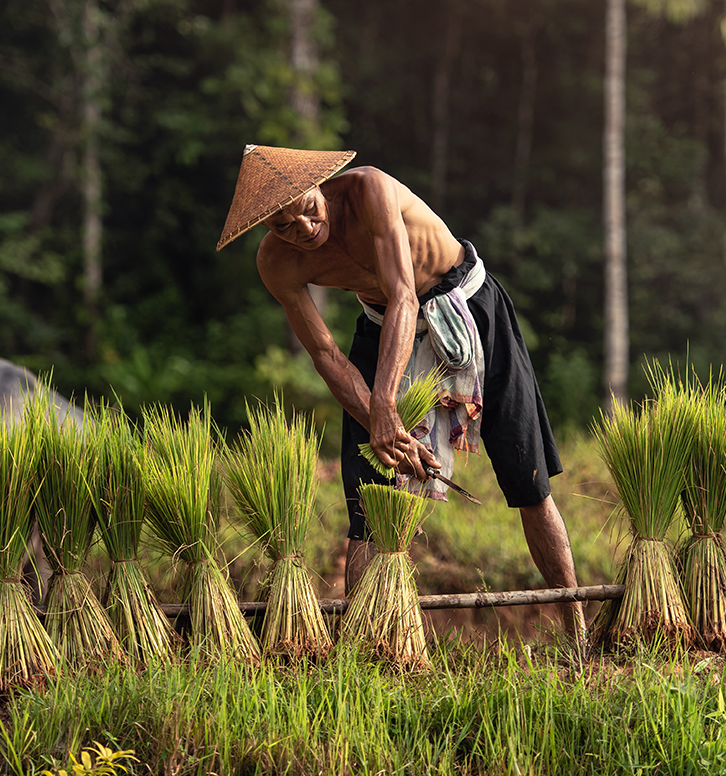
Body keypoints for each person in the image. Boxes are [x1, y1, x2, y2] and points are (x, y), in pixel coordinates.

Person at [217, 144, 585, 641]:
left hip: (465, 306)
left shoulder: (369, 190)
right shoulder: (277, 263)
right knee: (369, 496)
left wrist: (384, 402)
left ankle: (577, 632)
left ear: (319, 187)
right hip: (381, 328)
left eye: (307, 209)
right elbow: (325, 355)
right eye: (283, 225)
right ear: (265, 229)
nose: (302, 229)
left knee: (529, 478)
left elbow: (405, 295)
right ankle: (368, 648)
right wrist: (376, 421)